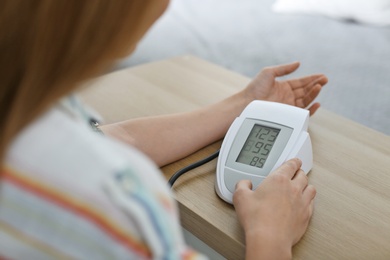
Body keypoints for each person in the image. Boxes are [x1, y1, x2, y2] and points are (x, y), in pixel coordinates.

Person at [0, 0, 328, 259]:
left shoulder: (32, 114)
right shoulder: (114, 199)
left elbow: (112, 139)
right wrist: (271, 239)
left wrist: (243, 104)